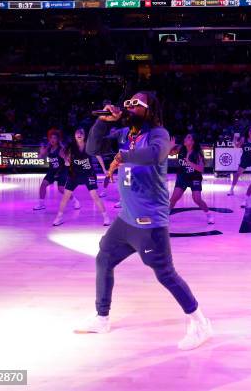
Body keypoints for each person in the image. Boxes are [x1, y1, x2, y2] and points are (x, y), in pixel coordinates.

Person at [78, 91, 212, 350]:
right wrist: (104, 121)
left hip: (149, 221)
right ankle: (101, 317)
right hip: (126, 219)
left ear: (149, 110)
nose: (129, 106)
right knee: (104, 258)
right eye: (128, 102)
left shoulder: (158, 134)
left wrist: (122, 157)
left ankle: (200, 322)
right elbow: (93, 148)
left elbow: (154, 155)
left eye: (136, 104)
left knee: (165, 274)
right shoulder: (124, 134)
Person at [52, 128, 110, 226]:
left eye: (81, 133)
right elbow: (61, 152)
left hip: (88, 174)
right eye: (77, 133)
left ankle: (106, 217)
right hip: (74, 174)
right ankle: (58, 218)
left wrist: (104, 169)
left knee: (95, 196)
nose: (79, 134)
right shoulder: (71, 145)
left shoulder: (89, 145)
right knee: (65, 197)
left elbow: (98, 156)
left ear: (84, 135)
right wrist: (66, 159)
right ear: (74, 135)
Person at [169, 133, 215, 224]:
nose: (185, 138)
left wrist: (190, 163)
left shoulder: (197, 153)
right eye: (186, 137)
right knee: (174, 198)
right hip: (182, 176)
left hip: (195, 177)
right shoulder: (180, 148)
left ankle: (209, 214)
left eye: (188, 137)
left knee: (197, 199)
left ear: (193, 142)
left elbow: (201, 169)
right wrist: (170, 147)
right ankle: (166, 215)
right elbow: (170, 153)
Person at [33, 129, 79, 211]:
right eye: (51, 138)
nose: (52, 140)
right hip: (52, 171)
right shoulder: (48, 148)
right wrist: (41, 152)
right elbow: (40, 157)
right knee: (43, 185)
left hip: (62, 171)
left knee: (61, 189)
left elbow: (68, 161)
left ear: (58, 140)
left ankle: (75, 201)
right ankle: (41, 204)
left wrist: (64, 157)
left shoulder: (61, 149)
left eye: (54, 138)